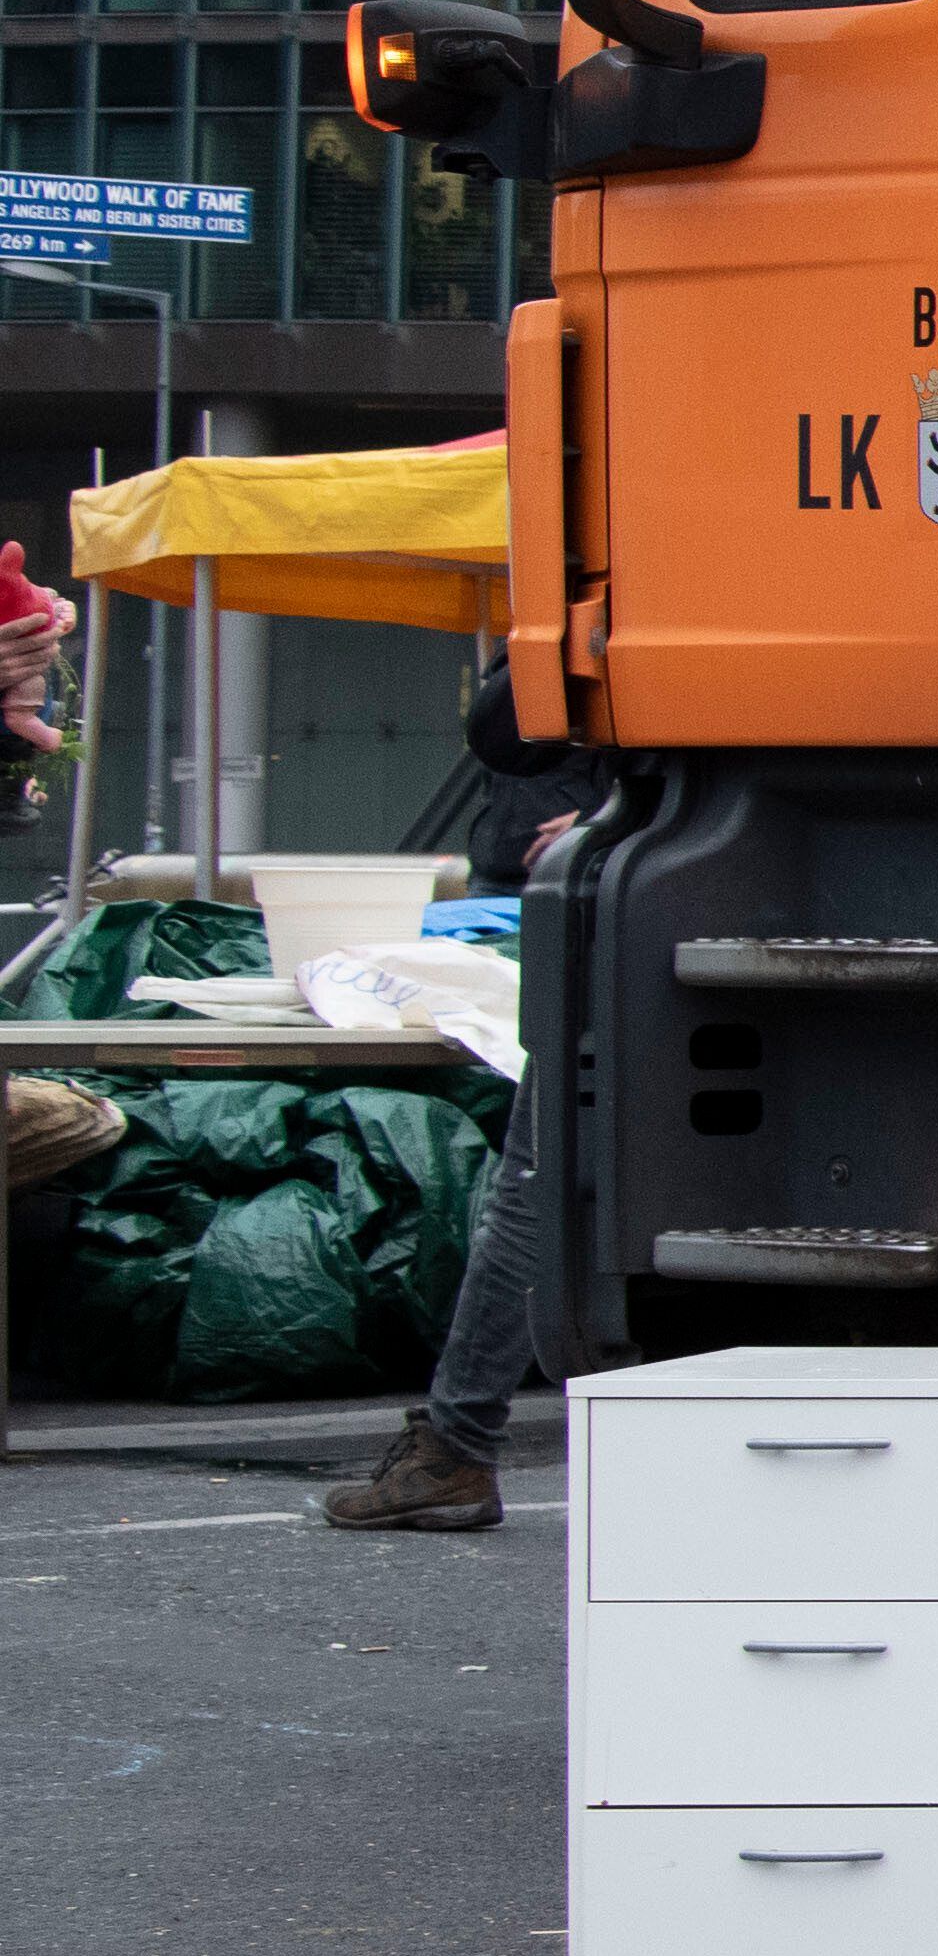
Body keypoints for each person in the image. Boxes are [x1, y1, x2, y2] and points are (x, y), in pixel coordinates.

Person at [321, 652, 607, 1534]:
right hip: (623, 865)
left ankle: (459, 1441)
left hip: (625, 879)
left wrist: (612, 821)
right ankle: (460, 1441)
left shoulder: (656, 557)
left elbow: (503, 727)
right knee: (546, 1172)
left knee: (534, 1176)